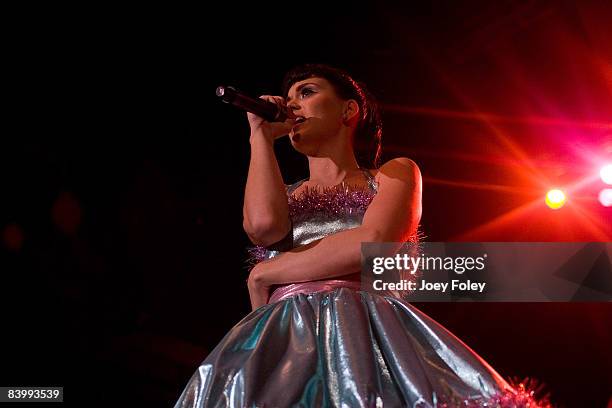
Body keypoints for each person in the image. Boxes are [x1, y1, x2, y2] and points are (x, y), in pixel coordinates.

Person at [174, 64, 548, 407]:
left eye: (306, 93)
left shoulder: (393, 174)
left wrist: (267, 273)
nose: (292, 107)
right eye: (287, 101)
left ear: (348, 110)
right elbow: (262, 228)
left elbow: (375, 241)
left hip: (365, 328)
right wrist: (259, 136)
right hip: (286, 335)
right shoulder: (286, 196)